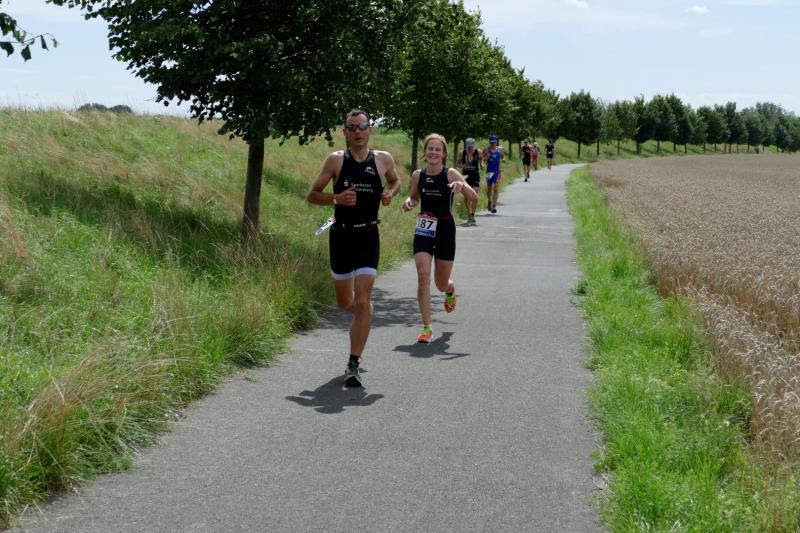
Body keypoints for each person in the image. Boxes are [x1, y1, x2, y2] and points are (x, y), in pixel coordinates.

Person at [307, 109, 401, 387]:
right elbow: (312, 194)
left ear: (370, 129)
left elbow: (395, 181)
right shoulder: (336, 160)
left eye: (362, 126)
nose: (358, 132)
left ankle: (353, 363)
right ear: (345, 132)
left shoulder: (383, 159)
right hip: (341, 237)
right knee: (344, 302)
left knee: (363, 298)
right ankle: (363, 314)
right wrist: (336, 198)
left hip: (368, 236)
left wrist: (390, 193)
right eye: (352, 127)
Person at [403, 133, 478, 343]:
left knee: (440, 283)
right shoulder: (417, 175)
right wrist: (409, 203)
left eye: (438, 149)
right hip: (424, 229)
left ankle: (450, 290)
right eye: (430, 148)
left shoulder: (450, 173)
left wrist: (462, 187)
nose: (434, 152)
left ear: (444, 154)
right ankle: (426, 327)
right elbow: (414, 197)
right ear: (425, 152)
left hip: (445, 229)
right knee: (423, 275)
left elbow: (474, 197)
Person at [460, 137, 482, 225]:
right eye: (468, 147)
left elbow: (481, 160)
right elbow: (457, 163)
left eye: (471, 147)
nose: (470, 148)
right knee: (467, 197)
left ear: (474, 145)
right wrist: (462, 166)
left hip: (475, 176)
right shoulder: (462, 153)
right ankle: (469, 214)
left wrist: (482, 164)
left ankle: (473, 214)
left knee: (474, 195)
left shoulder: (478, 152)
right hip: (466, 177)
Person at [482, 135, 504, 213]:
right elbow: (483, 161)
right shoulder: (486, 150)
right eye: (491, 142)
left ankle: (494, 206)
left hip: (497, 172)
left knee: (496, 189)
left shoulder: (500, 150)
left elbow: (503, 157)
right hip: (489, 172)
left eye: (494, 142)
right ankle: (489, 201)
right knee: (489, 189)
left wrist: (503, 159)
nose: (493, 144)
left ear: (496, 142)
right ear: (489, 142)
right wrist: (486, 158)